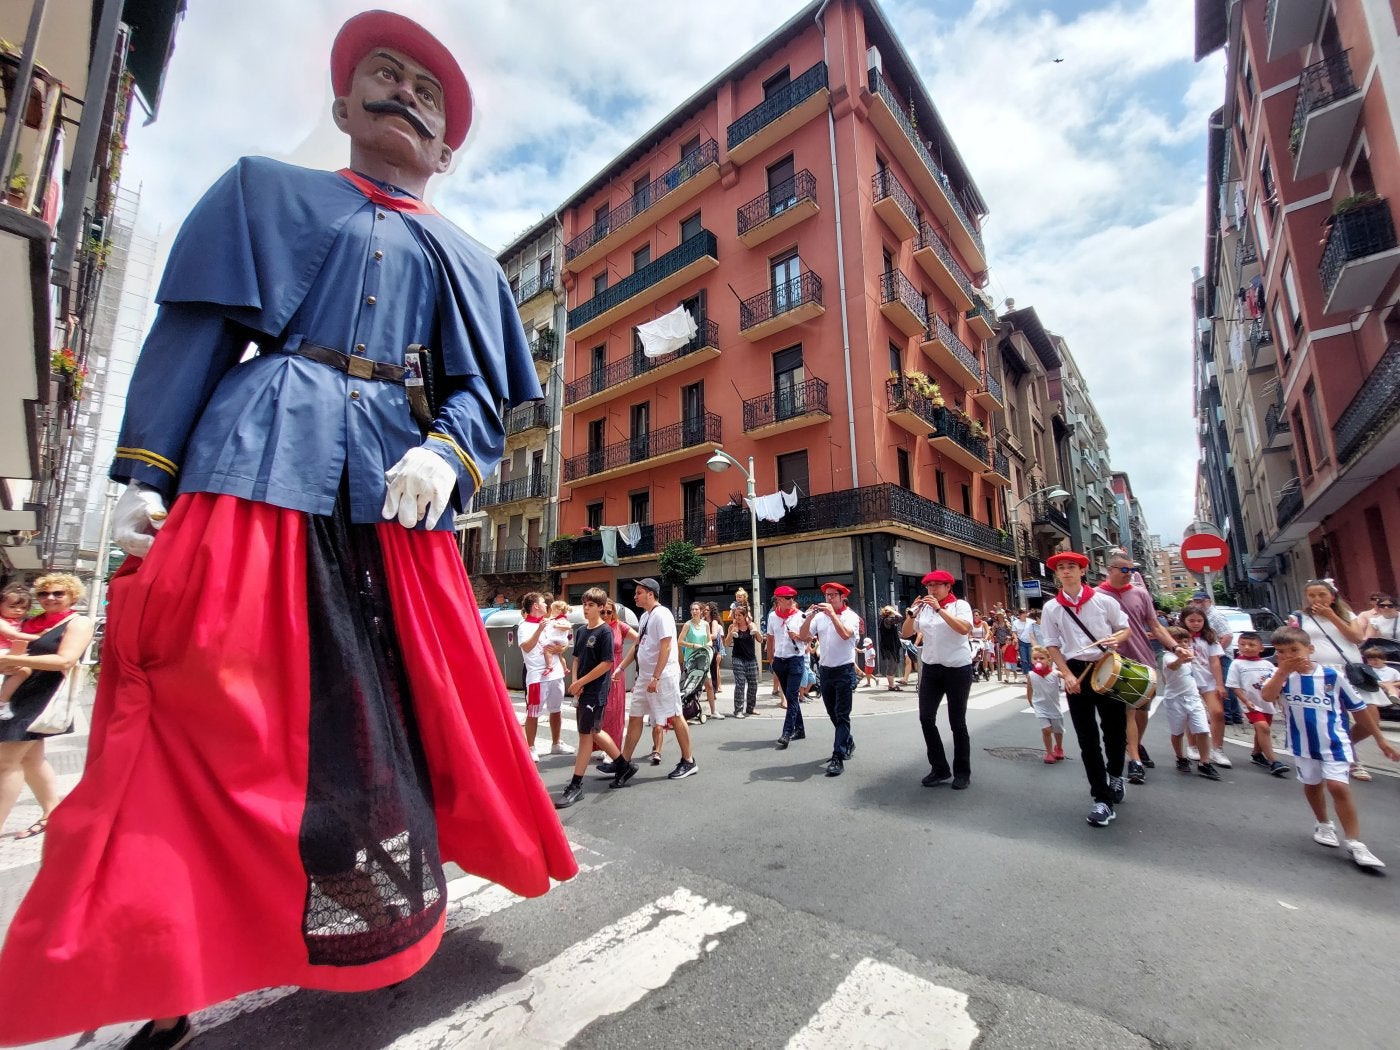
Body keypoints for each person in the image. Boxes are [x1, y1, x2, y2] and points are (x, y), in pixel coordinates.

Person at [0, 16, 580, 1048]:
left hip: (394, 505)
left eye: (428, 91)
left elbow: (482, 396)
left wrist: (446, 451)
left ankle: (372, 916)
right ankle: (157, 955)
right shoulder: (260, 192)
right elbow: (197, 334)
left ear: (448, 146)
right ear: (341, 106)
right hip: (255, 465)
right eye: (383, 75)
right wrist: (144, 474)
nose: (405, 91)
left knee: (392, 715)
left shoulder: (472, 263)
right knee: (195, 715)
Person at [1261, 626, 1387, 869]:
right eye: (1281, 652)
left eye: (1294, 650)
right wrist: (1281, 673)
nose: (1289, 656)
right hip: (1303, 744)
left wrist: (1380, 739)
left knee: (1338, 786)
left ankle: (1354, 841)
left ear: (1310, 649)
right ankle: (1323, 823)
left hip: (1335, 743)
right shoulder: (1281, 677)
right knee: (1312, 783)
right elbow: (1267, 696)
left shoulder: (1332, 676)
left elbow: (1359, 710)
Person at [1041, 551, 1131, 827]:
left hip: (1107, 667)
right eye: (1061, 568)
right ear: (1056, 574)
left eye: (1072, 567)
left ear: (1082, 572)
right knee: (1086, 737)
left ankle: (1115, 774)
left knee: (1114, 732)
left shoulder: (1104, 601)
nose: (1066, 571)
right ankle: (1101, 798)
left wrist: (1118, 638)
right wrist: (1066, 674)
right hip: (1076, 672)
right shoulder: (1051, 608)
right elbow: (1052, 644)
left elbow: (1124, 628)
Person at [0, 575, 92, 841]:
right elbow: (19, 654)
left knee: (6, 763)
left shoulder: (79, 622)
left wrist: (12, 659)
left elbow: (65, 660)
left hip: (43, 697)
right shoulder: (32, 623)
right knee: (30, 759)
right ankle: (52, 811)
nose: (50, 598)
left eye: (58, 593)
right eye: (44, 594)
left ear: (72, 595)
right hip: (19, 692)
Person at [1295, 579, 1400, 779]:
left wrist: (1332, 616)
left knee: (1371, 719)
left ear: (1332, 597)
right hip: (1321, 673)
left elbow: (1357, 638)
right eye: (1312, 596)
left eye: (1322, 595)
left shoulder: (1346, 614)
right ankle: (1351, 761)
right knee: (1338, 718)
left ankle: (1345, 747)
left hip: (1352, 672)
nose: (1317, 599)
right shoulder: (1300, 618)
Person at [1098, 554, 1179, 784]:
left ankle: (1135, 744)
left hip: (1144, 658)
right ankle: (1134, 759)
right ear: (1109, 570)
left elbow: (1154, 625)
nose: (1130, 574)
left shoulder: (1141, 593)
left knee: (1142, 709)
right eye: (1125, 570)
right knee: (1128, 711)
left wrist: (1174, 646)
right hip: (1115, 662)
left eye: (1132, 570)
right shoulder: (1097, 596)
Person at [612, 578, 697, 783]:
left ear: (651, 594)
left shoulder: (662, 615)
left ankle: (689, 761)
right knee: (635, 716)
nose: (635, 596)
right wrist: (621, 667)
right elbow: (638, 645)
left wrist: (657, 677)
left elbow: (666, 647)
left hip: (663, 675)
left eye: (639, 592)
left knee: (675, 715)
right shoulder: (645, 617)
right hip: (645, 676)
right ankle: (624, 762)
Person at [553, 589, 625, 809]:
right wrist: (575, 683)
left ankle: (576, 785)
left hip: (595, 691)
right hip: (583, 690)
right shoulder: (582, 630)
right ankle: (623, 765)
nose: (586, 608)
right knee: (592, 731)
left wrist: (581, 683)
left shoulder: (605, 632)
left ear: (601, 608)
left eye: (591, 605)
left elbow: (606, 664)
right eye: (584, 604)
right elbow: (575, 659)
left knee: (586, 735)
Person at [903, 570, 974, 790]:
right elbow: (906, 633)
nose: (931, 589)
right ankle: (940, 768)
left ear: (948, 587)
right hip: (932, 668)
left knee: (957, 722)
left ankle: (962, 772)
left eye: (936, 585)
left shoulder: (960, 606)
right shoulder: (923, 609)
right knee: (926, 718)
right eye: (928, 586)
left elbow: (964, 629)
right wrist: (911, 615)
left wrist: (939, 609)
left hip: (958, 668)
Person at [797, 582, 862, 777]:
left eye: (833, 595)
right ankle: (847, 741)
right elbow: (803, 636)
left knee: (842, 714)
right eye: (826, 595)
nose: (829, 599)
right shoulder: (819, 617)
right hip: (826, 671)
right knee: (833, 713)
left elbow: (844, 635)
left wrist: (832, 615)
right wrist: (808, 617)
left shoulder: (851, 617)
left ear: (843, 597)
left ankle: (838, 756)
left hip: (844, 670)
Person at [1160, 627, 1222, 781]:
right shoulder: (1167, 656)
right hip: (1175, 699)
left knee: (1202, 729)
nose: (1183, 644)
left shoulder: (1191, 655)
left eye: (1185, 641)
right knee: (1178, 732)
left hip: (1193, 697)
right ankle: (1180, 757)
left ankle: (1204, 762)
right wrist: (1181, 659)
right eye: (1178, 642)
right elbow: (1173, 666)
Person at [1226, 631, 1290, 776]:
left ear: (1261, 648)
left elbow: (1276, 684)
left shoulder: (1267, 664)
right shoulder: (1237, 664)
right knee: (1263, 728)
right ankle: (1274, 761)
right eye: (1242, 645)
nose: (1246, 647)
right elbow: (1234, 685)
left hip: (1267, 703)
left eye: (1251, 645)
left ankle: (1257, 753)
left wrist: (1279, 702)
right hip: (1251, 704)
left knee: (1262, 729)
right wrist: (1245, 701)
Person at [519, 592, 571, 759]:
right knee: (533, 712)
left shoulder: (550, 622)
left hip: (555, 674)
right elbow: (526, 647)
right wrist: (539, 629)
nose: (546, 605)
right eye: (542, 602)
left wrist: (562, 649)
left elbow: (566, 638)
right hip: (537, 677)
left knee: (556, 710)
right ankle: (531, 747)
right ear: (535, 606)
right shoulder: (524, 626)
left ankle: (556, 743)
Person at [1180, 608, 1229, 768]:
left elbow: (1215, 662)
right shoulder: (1179, 638)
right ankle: (1192, 745)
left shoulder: (1209, 637)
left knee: (1217, 712)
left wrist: (1220, 684)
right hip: (1188, 681)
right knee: (1191, 714)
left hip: (1208, 681)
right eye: (1191, 621)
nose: (1196, 624)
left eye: (1199, 621)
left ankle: (1217, 749)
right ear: (1184, 621)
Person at [767, 585, 807, 748]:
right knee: (791, 697)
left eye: (792, 598)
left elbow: (810, 638)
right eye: (788, 598)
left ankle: (786, 732)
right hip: (779, 660)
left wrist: (798, 636)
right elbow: (770, 638)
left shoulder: (800, 616)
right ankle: (800, 729)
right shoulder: (772, 617)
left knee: (791, 696)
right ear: (779, 600)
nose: (792, 601)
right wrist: (771, 659)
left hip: (796, 660)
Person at [599, 599, 636, 748]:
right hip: (598, 670)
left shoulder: (620, 626)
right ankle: (601, 744)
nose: (606, 615)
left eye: (609, 612)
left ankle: (613, 746)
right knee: (600, 709)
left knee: (614, 709)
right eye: (603, 612)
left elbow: (639, 639)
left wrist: (624, 663)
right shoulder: (596, 627)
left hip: (615, 669)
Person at [0, 583, 39, 721]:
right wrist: (40, 637)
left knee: (23, 671)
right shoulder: (1, 621)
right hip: (2, 651)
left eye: (23, 608)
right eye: (12, 606)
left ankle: (3, 701)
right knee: (24, 670)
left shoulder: (21, 621)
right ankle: (2, 702)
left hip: (9, 652)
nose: (18, 610)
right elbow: (13, 635)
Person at [1026, 646, 1065, 764]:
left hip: (1054, 706)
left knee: (1058, 730)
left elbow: (1066, 676)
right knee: (1046, 730)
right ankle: (1049, 752)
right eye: (1035, 658)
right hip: (1040, 706)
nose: (1038, 661)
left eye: (1041, 658)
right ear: (1031, 660)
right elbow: (1029, 688)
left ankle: (1058, 747)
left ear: (1049, 659)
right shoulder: (1031, 675)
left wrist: (1070, 677)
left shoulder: (1054, 673)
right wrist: (1030, 701)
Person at [680, 602, 716, 723]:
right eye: (692, 609)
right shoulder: (687, 625)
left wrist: (707, 645)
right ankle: (689, 709)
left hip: (703, 658)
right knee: (690, 686)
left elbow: (710, 640)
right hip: (691, 659)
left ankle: (713, 711)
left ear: (701, 611)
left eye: (696, 609)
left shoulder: (706, 624)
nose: (694, 611)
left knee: (709, 685)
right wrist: (693, 645)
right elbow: (680, 641)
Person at [725, 606, 762, 718]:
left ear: (745, 615)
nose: (737, 617)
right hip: (738, 658)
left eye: (739, 615)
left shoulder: (751, 626)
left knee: (753, 684)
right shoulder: (732, 626)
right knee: (740, 684)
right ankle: (738, 710)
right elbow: (726, 643)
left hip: (751, 658)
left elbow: (760, 640)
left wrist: (755, 631)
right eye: (735, 615)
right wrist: (732, 632)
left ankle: (750, 708)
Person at [540, 598, 573, 679]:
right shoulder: (555, 619)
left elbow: (568, 626)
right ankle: (565, 668)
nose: (551, 612)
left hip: (557, 639)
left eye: (553, 610)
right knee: (560, 656)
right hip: (558, 640)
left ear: (558, 610)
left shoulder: (561, 620)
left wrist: (557, 625)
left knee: (547, 650)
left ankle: (549, 666)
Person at [876, 605, 905, 691]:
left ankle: (891, 684)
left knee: (894, 663)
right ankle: (891, 685)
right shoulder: (887, 620)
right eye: (892, 611)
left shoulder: (886, 620)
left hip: (891, 645)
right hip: (889, 646)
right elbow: (901, 618)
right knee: (892, 664)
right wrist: (895, 612)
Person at [707, 601, 726, 705]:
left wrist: (719, 651)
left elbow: (717, 638)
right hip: (705, 647)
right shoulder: (703, 621)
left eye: (707, 610)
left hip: (714, 648)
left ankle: (714, 690)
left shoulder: (714, 622)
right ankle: (711, 689)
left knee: (714, 669)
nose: (705, 612)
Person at [1012, 608, 1037, 673]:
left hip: (1031, 642)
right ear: (1020, 614)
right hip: (1022, 642)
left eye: (1026, 612)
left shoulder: (1032, 622)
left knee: (1031, 658)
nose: (1025, 614)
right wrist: (1015, 638)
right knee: (1024, 659)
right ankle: (1027, 674)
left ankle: (1032, 673)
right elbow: (1014, 632)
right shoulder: (1015, 622)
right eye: (1023, 613)